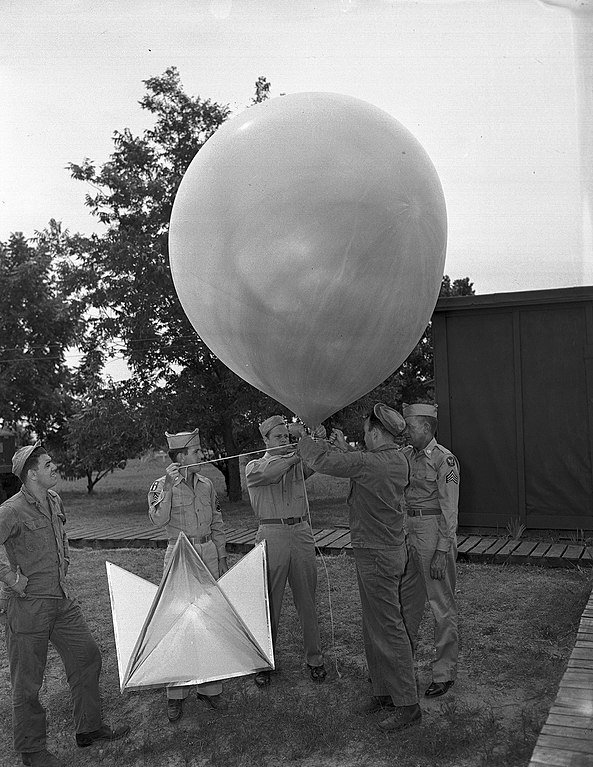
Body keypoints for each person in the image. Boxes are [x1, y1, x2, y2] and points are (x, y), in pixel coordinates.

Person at [0, 443, 129, 767]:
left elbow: (62, 535)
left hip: (61, 600)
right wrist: (11, 579)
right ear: (32, 474)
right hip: (29, 607)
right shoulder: (11, 510)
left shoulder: (54, 499)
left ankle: (88, 727)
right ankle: (32, 752)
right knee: (28, 683)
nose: (54, 467)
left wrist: (66, 559)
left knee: (86, 657)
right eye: (48, 464)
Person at [298, 404, 421, 732]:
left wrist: (306, 438)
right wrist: (341, 446)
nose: (362, 436)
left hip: (378, 554)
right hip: (382, 551)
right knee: (374, 626)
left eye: (365, 431)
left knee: (389, 628)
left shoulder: (372, 463)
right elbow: (355, 463)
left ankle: (408, 704)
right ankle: (384, 692)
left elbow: (324, 462)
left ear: (376, 433)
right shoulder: (393, 459)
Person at [148, 428, 229, 722]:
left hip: (206, 552)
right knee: (178, 623)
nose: (201, 455)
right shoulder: (161, 484)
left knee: (209, 620)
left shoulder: (206, 484)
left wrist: (220, 555)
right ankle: (176, 694)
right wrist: (168, 487)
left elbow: (217, 520)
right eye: (196, 451)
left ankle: (209, 688)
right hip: (180, 555)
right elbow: (157, 519)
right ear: (180, 457)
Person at [245, 416, 326, 687]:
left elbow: (316, 463)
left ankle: (315, 659)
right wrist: (294, 456)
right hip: (272, 535)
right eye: (279, 437)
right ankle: (263, 662)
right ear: (265, 440)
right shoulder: (254, 466)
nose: (285, 441)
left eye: (287, 437)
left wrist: (317, 441)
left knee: (307, 600)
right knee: (270, 603)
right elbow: (270, 473)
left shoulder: (295, 464)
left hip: (301, 533)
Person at [399, 403, 460, 698]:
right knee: (406, 603)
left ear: (425, 427)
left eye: (409, 426)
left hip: (434, 532)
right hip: (409, 532)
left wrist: (441, 551)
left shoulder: (444, 461)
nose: (405, 432)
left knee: (441, 605)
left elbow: (450, 512)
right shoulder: (406, 456)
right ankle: (400, 668)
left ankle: (444, 672)